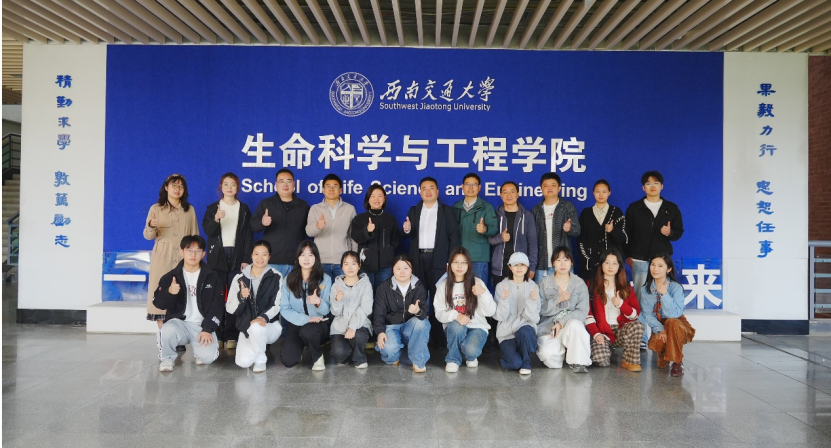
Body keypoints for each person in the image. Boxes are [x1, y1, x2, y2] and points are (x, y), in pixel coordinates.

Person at [625, 170, 684, 348]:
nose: (652, 186)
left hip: (661, 260)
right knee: (640, 297)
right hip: (640, 259)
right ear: (643, 188)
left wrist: (670, 232)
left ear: (662, 186)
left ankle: (662, 336)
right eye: (648, 183)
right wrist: (628, 255)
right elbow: (627, 234)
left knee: (663, 295)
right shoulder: (634, 208)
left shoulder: (671, 208)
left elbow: (679, 232)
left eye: (656, 183)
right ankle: (641, 338)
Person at [144, 174, 199, 351]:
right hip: (163, 256)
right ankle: (165, 337)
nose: (177, 189)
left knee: (182, 293)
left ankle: (179, 336)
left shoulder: (189, 210)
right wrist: (151, 225)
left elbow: (195, 236)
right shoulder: (156, 208)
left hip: (183, 256)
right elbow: (148, 236)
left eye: (181, 186)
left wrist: (195, 256)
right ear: (166, 188)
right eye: (174, 185)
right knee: (162, 292)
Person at [402, 176, 459, 347]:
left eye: (431, 188)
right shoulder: (414, 210)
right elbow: (407, 235)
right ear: (420, 192)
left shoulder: (447, 211)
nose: (428, 191)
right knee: (418, 297)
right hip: (418, 259)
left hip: (439, 260)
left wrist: (450, 261)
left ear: (437, 191)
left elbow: (454, 237)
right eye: (424, 188)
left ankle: (438, 338)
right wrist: (406, 230)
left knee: (439, 298)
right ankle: (419, 336)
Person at [153, 235, 222, 372]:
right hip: (179, 323)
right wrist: (169, 292)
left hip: (201, 325)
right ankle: (167, 358)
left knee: (208, 358)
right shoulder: (170, 277)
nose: (193, 255)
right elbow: (158, 303)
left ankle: (200, 352)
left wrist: (207, 329)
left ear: (203, 254)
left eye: (197, 251)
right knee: (167, 329)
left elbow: (217, 306)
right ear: (182, 252)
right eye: (189, 250)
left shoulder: (213, 277)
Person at [202, 172, 254, 351]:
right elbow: (209, 231)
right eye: (226, 184)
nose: (229, 187)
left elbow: (248, 236)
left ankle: (231, 335)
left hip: (237, 256)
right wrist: (216, 219)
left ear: (237, 187)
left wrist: (246, 259)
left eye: (233, 184)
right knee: (216, 297)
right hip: (218, 256)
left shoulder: (244, 209)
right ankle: (217, 334)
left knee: (235, 297)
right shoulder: (212, 208)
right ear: (221, 187)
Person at [434, 247, 496, 373]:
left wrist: (483, 293)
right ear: (450, 265)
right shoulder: (443, 285)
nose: (459, 266)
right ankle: (453, 359)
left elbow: (491, 312)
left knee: (470, 350)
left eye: (463, 262)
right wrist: (456, 316)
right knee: (457, 326)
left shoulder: (477, 282)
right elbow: (439, 313)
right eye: (456, 262)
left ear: (469, 265)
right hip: (455, 328)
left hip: (477, 327)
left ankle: (468, 353)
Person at [226, 240, 283, 373]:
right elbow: (230, 308)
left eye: (264, 254)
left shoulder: (276, 276)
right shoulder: (239, 278)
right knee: (243, 362)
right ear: (251, 255)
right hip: (246, 328)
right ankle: (258, 349)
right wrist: (241, 297)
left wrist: (263, 317)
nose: (260, 258)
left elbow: (277, 304)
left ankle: (260, 361)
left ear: (269, 256)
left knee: (257, 326)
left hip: (270, 326)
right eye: (256, 254)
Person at [586, 249, 644, 372]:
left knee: (638, 326)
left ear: (619, 266)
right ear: (601, 265)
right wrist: (596, 334)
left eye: (615, 263)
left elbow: (635, 315)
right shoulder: (591, 285)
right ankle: (606, 350)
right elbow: (587, 314)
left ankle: (629, 360)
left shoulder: (626, 287)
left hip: (622, 330)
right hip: (602, 332)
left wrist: (621, 304)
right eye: (607, 263)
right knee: (601, 360)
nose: (611, 266)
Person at [536, 246, 592, 373]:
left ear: (571, 262)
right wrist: (558, 300)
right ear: (553, 263)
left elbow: (582, 311)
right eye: (558, 260)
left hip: (570, 327)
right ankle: (566, 352)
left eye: (566, 260)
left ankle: (578, 362)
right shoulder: (544, 284)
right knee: (547, 355)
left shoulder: (579, 284)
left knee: (576, 325)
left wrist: (561, 323)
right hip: (549, 328)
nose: (562, 264)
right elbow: (539, 309)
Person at [279, 241, 332, 370]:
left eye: (310, 255)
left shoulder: (325, 279)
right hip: (296, 324)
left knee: (309, 332)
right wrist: (306, 319)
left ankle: (317, 356)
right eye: (303, 255)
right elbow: (284, 309)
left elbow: (327, 310)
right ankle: (302, 345)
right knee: (288, 360)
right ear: (298, 258)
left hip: (318, 324)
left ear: (316, 257)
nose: (306, 259)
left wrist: (318, 303)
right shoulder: (289, 280)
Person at [640, 254, 695, 377]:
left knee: (671, 322)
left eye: (660, 266)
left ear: (668, 269)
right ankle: (664, 352)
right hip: (659, 324)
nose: (655, 269)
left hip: (679, 324)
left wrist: (664, 294)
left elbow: (674, 314)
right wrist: (660, 329)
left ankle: (677, 362)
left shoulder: (676, 287)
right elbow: (647, 314)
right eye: (653, 265)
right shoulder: (645, 289)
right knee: (661, 363)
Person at [374, 254, 431, 372]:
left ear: (411, 269)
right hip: (392, 327)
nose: (402, 272)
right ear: (393, 269)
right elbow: (379, 313)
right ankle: (394, 355)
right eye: (398, 268)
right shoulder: (384, 288)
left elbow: (424, 311)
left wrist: (417, 311)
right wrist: (380, 332)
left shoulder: (419, 286)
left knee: (422, 322)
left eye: (406, 268)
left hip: (411, 327)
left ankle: (418, 361)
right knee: (389, 350)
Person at [251, 168, 310, 278]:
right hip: (273, 261)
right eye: (281, 181)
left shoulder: (303, 206)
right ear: (276, 184)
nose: (285, 184)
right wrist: (262, 222)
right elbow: (253, 226)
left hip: (296, 262)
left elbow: (309, 231)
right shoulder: (266, 204)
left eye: (288, 181)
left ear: (294, 184)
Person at [493, 252, 540, 375]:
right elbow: (499, 316)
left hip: (525, 328)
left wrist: (532, 301)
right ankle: (516, 354)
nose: (519, 268)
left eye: (522, 265)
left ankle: (526, 363)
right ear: (510, 267)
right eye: (516, 265)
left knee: (524, 332)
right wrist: (504, 300)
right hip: (506, 332)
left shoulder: (533, 287)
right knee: (514, 363)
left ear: (527, 267)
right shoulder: (501, 286)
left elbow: (535, 318)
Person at [531, 173, 580, 283]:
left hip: (564, 264)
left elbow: (577, 231)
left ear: (559, 188)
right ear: (541, 189)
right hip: (542, 265)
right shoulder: (536, 210)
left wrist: (570, 228)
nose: (549, 188)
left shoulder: (567, 207)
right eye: (546, 185)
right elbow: (532, 239)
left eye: (553, 185)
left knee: (566, 293)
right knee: (541, 294)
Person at [306, 173, 357, 280]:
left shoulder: (350, 209)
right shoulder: (315, 209)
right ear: (323, 190)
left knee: (343, 290)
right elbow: (309, 232)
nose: (331, 189)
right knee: (321, 290)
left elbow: (353, 236)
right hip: (321, 260)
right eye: (328, 186)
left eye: (335, 186)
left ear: (340, 190)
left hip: (343, 261)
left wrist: (354, 257)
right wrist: (317, 226)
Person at [350, 184, 399, 291]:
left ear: (384, 199)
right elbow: (356, 237)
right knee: (366, 295)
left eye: (380, 196)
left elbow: (395, 241)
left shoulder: (390, 219)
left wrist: (387, 252)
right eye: (373, 196)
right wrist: (367, 231)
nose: (376, 199)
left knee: (383, 295)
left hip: (385, 267)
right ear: (368, 199)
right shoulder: (359, 219)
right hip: (365, 265)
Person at [452, 173, 498, 287]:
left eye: (474, 184)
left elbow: (494, 229)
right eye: (468, 184)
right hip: (459, 258)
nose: (471, 187)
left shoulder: (486, 207)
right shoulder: (456, 207)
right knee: (460, 291)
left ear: (479, 187)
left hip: (479, 257)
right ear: (462, 186)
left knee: (478, 291)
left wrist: (485, 229)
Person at [330, 251, 373, 368]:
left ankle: (359, 357)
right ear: (342, 267)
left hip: (360, 325)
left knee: (359, 336)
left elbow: (365, 309)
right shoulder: (336, 286)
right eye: (346, 264)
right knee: (340, 354)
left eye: (353, 263)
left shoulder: (366, 285)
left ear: (359, 266)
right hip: (339, 327)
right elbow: (335, 312)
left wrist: (352, 327)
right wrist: (337, 301)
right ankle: (347, 351)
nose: (350, 267)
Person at [577, 180, 627, 280]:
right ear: (593, 193)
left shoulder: (616, 212)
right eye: (597, 191)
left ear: (609, 193)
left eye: (604, 191)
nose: (601, 194)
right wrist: (590, 260)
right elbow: (581, 240)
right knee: (591, 289)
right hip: (591, 266)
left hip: (612, 266)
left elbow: (623, 239)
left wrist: (613, 230)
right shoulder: (586, 213)